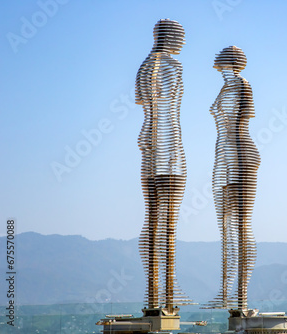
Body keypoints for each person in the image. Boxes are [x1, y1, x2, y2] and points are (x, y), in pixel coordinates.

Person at [135, 19, 189, 312]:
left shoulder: (143, 67)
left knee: (151, 219)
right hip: (169, 150)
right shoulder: (173, 67)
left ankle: (157, 295)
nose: (182, 43)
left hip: (147, 146)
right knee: (168, 226)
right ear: (171, 37)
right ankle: (169, 295)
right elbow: (171, 112)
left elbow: (144, 105)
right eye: (181, 37)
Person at [209, 46, 260, 310]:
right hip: (225, 157)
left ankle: (241, 295)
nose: (216, 60)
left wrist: (231, 162)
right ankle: (226, 291)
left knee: (241, 225)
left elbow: (241, 123)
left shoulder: (242, 85)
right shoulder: (226, 87)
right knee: (226, 225)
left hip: (241, 155)